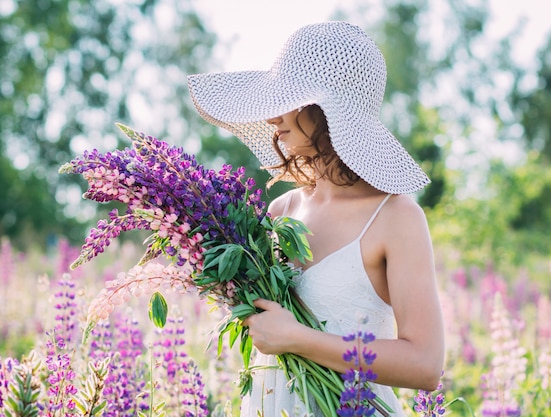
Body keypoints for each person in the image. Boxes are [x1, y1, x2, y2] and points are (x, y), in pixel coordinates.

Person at [187, 21, 444, 417]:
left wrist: (299, 339)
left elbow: (425, 364)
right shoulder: (278, 212)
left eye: (287, 99)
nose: (272, 117)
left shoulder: (395, 216)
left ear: (327, 108)